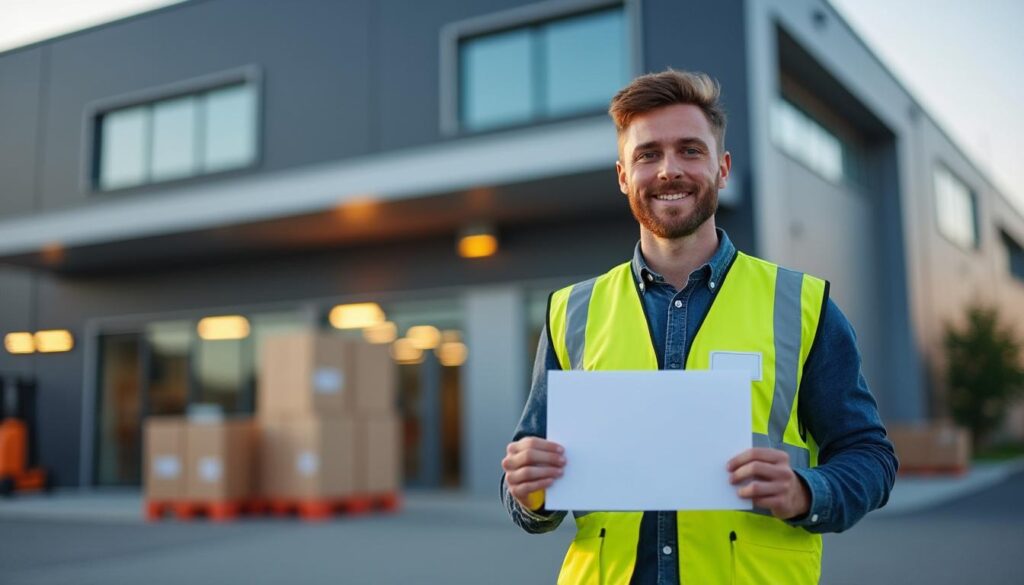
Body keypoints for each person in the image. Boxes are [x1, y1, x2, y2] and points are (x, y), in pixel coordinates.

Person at [500, 69, 897, 585]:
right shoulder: (570, 312)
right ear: (623, 176)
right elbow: (527, 488)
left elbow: (870, 457)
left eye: (690, 150)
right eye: (648, 154)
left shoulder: (800, 305)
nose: (669, 170)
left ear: (722, 168)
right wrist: (530, 493)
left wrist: (806, 492)